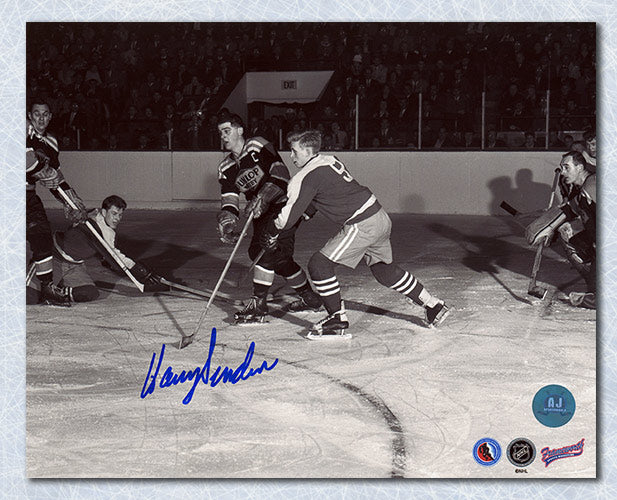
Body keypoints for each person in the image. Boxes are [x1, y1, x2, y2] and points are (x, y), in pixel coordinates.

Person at [261, 130, 450, 338]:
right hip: (379, 216)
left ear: (307, 150)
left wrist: (271, 232)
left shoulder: (304, 177)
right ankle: (433, 305)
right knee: (384, 271)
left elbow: (287, 218)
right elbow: (330, 191)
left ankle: (337, 319)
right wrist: (306, 213)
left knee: (319, 264)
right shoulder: (329, 160)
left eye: (294, 150)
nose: (291, 155)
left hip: (362, 223)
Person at [216, 112, 321, 323]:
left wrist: (263, 196)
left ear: (240, 130)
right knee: (276, 257)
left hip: (284, 206)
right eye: (221, 133)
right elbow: (230, 199)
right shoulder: (225, 168)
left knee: (264, 249)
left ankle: (259, 304)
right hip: (261, 213)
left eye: (227, 131)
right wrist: (227, 222)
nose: (224, 136)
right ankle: (310, 297)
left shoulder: (257, 145)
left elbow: (280, 174)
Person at [49, 195, 168, 304]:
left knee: (90, 293)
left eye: (120, 215)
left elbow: (110, 254)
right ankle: (48, 287)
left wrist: (143, 273)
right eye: (114, 214)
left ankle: (58, 291)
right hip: (54, 259)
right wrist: (142, 272)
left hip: (75, 266)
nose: (117, 219)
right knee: (32, 296)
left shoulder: (106, 229)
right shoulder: (94, 225)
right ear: (104, 212)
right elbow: (116, 259)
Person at [26, 98, 88, 306]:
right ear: (29, 116)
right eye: (36, 113)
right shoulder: (21, 130)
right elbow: (27, 162)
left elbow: (55, 180)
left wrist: (70, 199)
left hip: (27, 195)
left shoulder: (51, 143)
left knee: (41, 235)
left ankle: (46, 288)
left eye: (45, 114)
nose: (40, 118)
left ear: (50, 117)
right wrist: (43, 172)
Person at [526, 151, 596, 309]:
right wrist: (548, 229)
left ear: (579, 167)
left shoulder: (593, 183)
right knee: (566, 230)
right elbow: (569, 210)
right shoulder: (581, 192)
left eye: (566, 167)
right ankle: (594, 283)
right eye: (561, 168)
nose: (563, 172)